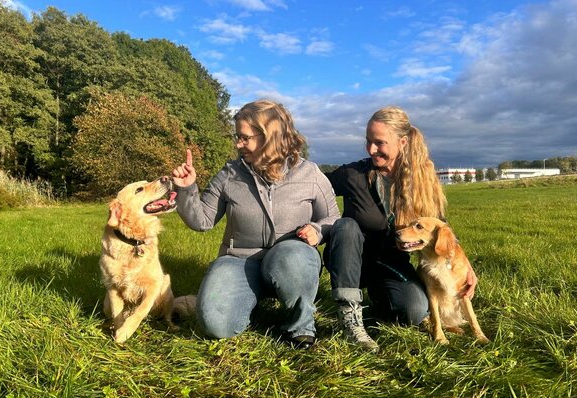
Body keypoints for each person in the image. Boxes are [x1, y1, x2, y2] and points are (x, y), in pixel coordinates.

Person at [172, 100, 340, 349]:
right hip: (239, 260)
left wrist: (317, 230)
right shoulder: (229, 174)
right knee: (214, 324)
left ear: (270, 137)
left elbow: (334, 219)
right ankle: (245, 302)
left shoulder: (311, 174)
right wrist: (186, 190)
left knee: (291, 256)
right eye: (237, 137)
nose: (238, 144)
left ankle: (301, 327)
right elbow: (202, 220)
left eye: (244, 138)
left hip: (292, 259)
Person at [324, 106, 477, 353]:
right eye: (368, 142)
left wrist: (465, 264)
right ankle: (349, 317)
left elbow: (439, 228)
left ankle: (379, 299)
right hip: (349, 258)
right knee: (347, 225)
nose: (371, 149)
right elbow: (313, 186)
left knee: (415, 310)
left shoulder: (422, 181)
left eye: (379, 143)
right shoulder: (353, 174)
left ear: (402, 142)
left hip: (389, 262)